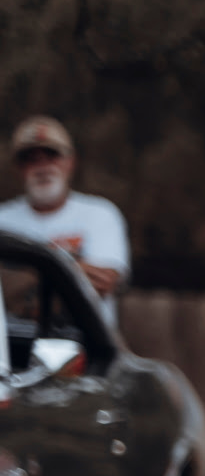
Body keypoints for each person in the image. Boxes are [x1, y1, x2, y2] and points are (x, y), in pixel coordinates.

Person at [0, 117, 131, 325]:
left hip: (87, 347)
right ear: (18, 168)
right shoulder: (3, 220)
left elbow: (104, 282)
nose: (42, 167)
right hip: (16, 347)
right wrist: (73, 270)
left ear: (70, 162)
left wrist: (24, 277)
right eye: (31, 159)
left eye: (52, 156)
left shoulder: (100, 214)